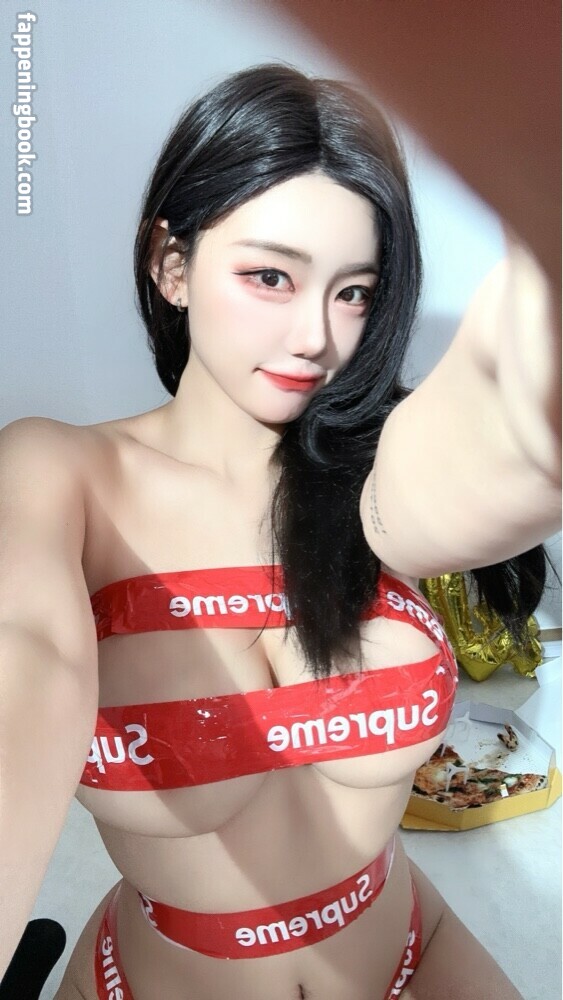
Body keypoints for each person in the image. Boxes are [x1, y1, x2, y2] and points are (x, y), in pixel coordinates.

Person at [0, 63, 559, 1000]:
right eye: (270, 276)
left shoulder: (377, 472)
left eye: (354, 292)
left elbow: (494, 463)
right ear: (171, 264)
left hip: (411, 946)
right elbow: (29, 662)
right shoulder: (62, 473)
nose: (315, 337)